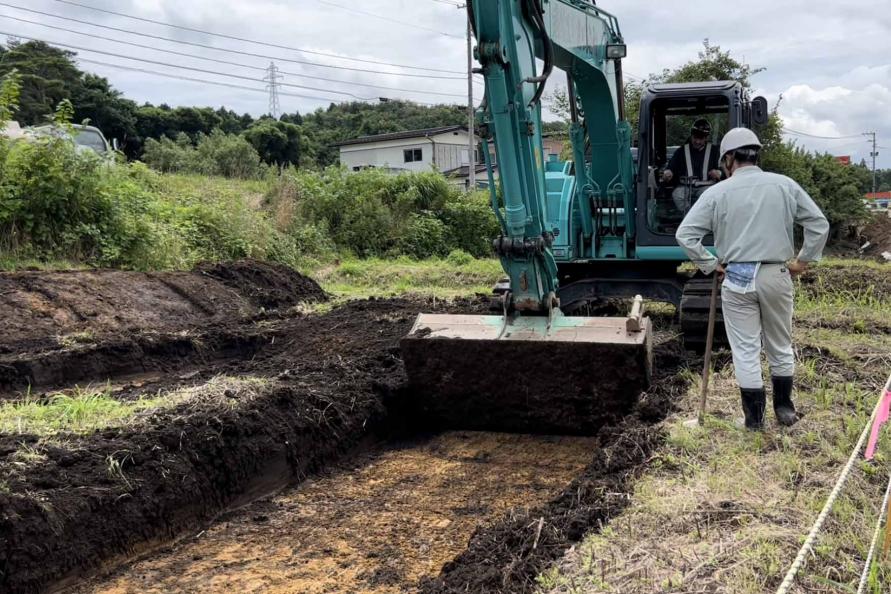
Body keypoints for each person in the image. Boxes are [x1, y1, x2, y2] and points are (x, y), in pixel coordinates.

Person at [675, 127, 830, 430]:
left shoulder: (717, 192)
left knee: (745, 349)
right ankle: (784, 410)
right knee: (780, 343)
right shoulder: (784, 185)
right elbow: (818, 224)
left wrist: (709, 263)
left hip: (737, 276)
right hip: (776, 273)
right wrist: (803, 260)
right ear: (756, 154)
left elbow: (686, 234)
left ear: (729, 158)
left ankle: (754, 420)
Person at [662, 119, 723, 213]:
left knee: (709, 195)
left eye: (701, 138)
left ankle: (703, 217)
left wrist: (718, 173)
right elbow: (671, 168)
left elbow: (722, 170)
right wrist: (668, 173)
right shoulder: (681, 151)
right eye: (695, 138)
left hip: (706, 186)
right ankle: (689, 215)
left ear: (706, 138)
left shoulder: (715, 151)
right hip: (685, 186)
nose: (697, 141)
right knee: (677, 195)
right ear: (691, 135)